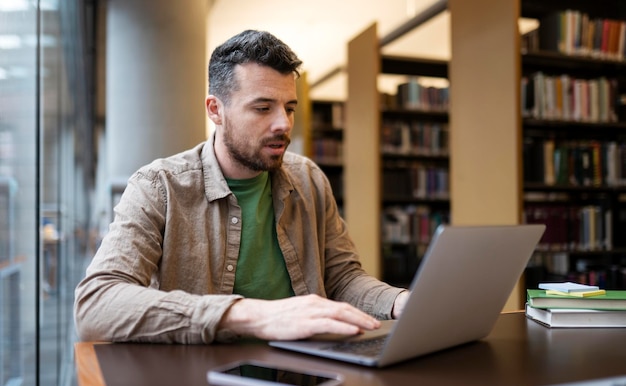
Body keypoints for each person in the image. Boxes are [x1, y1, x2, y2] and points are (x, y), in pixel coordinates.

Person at [74, 29, 408, 344]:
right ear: (215, 110)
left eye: (289, 108)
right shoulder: (159, 187)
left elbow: (343, 279)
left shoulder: (310, 180)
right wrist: (246, 314)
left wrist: (401, 301)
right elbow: (96, 304)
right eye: (263, 108)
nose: (283, 124)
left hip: (304, 385)